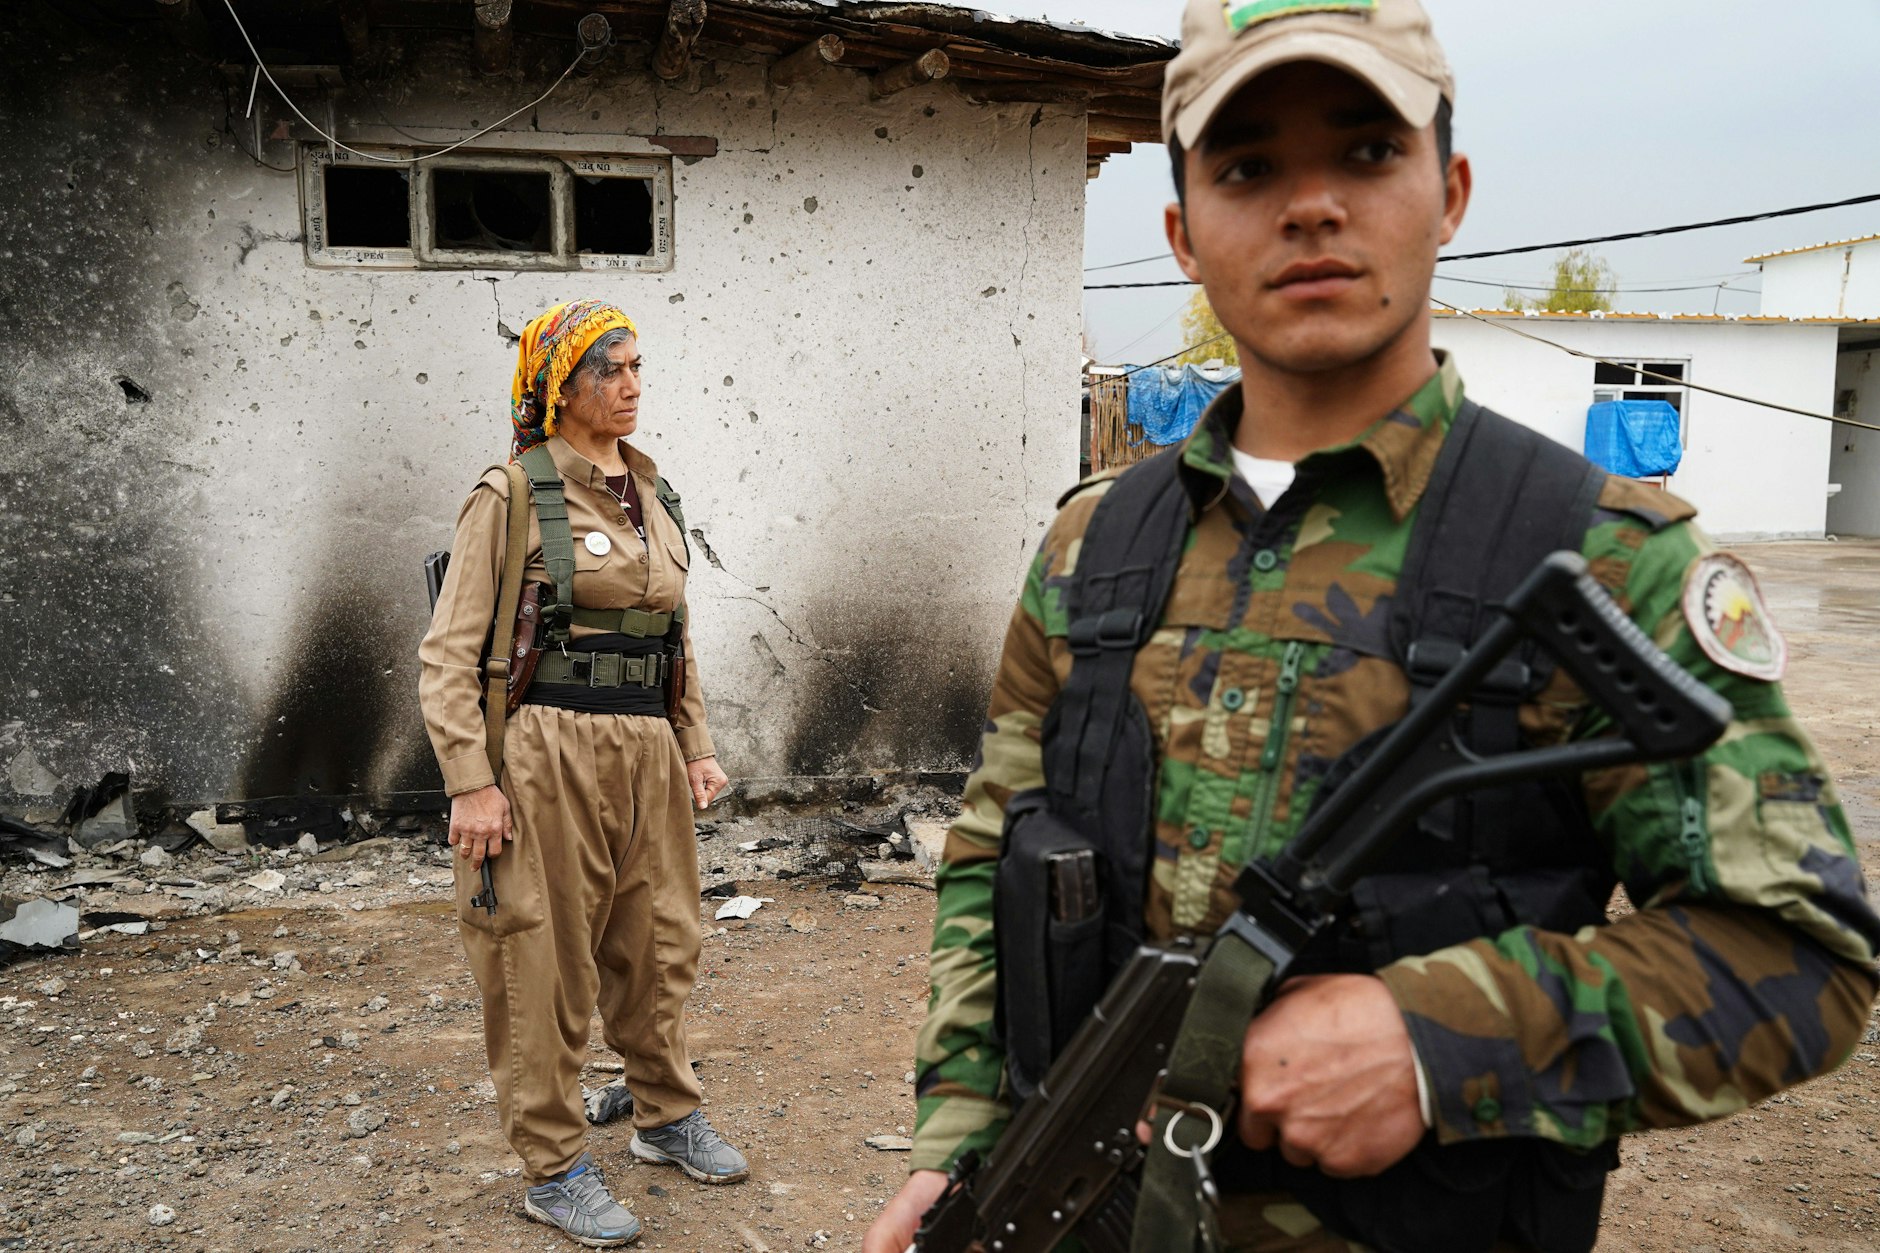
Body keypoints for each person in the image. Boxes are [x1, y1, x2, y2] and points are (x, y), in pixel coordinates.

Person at [866, 2, 1880, 1250]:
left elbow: (1798, 954)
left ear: (1447, 191)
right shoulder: (1093, 543)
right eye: (1245, 167)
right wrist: (961, 1139)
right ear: (1183, 232)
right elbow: (992, 856)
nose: (1308, 207)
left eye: (1363, 152)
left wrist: (1437, 1037)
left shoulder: (1595, 554)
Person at [420, 300, 747, 1249]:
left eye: (638, 365)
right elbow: (448, 654)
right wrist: (470, 782)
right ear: (558, 386)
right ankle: (554, 1165)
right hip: (544, 750)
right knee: (542, 957)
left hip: (643, 746)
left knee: (661, 942)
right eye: (610, 370)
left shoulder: (655, 491)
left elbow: (673, 635)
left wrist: (694, 741)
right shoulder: (511, 493)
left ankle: (663, 1114)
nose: (633, 385)